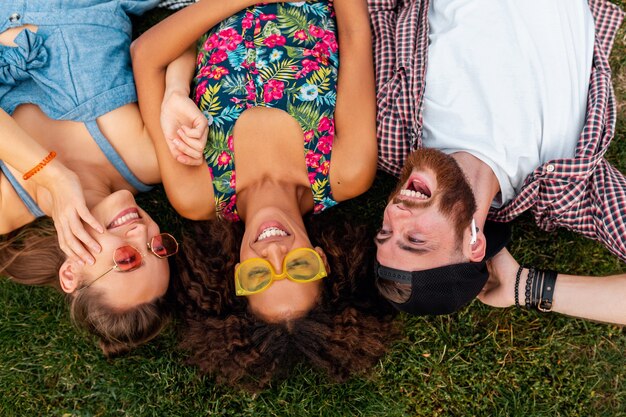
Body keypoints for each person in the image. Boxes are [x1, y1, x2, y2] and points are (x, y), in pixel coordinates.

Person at [132, 0, 395, 388]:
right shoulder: (345, 171)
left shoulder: (196, 192)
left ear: (236, 275)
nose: (273, 252)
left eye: (258, 276)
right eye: (299, 267)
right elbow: (355, 33)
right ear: (322, 259)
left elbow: (146, 56)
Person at [372, 0, 626, 318]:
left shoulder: (389, 134)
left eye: (384, 232)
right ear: (474, 244)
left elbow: (378, 12)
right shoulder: (564, 192)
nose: (395, 215)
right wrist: (525, 285)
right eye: (416, 238)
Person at [0, 0, 181, 355]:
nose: (144, 232)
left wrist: (53, 177)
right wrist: (176, 90)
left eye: (128, 259)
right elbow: (177, 44)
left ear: (72, 273)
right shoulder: (148, 162)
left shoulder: (5, 205)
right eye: (158, 248)